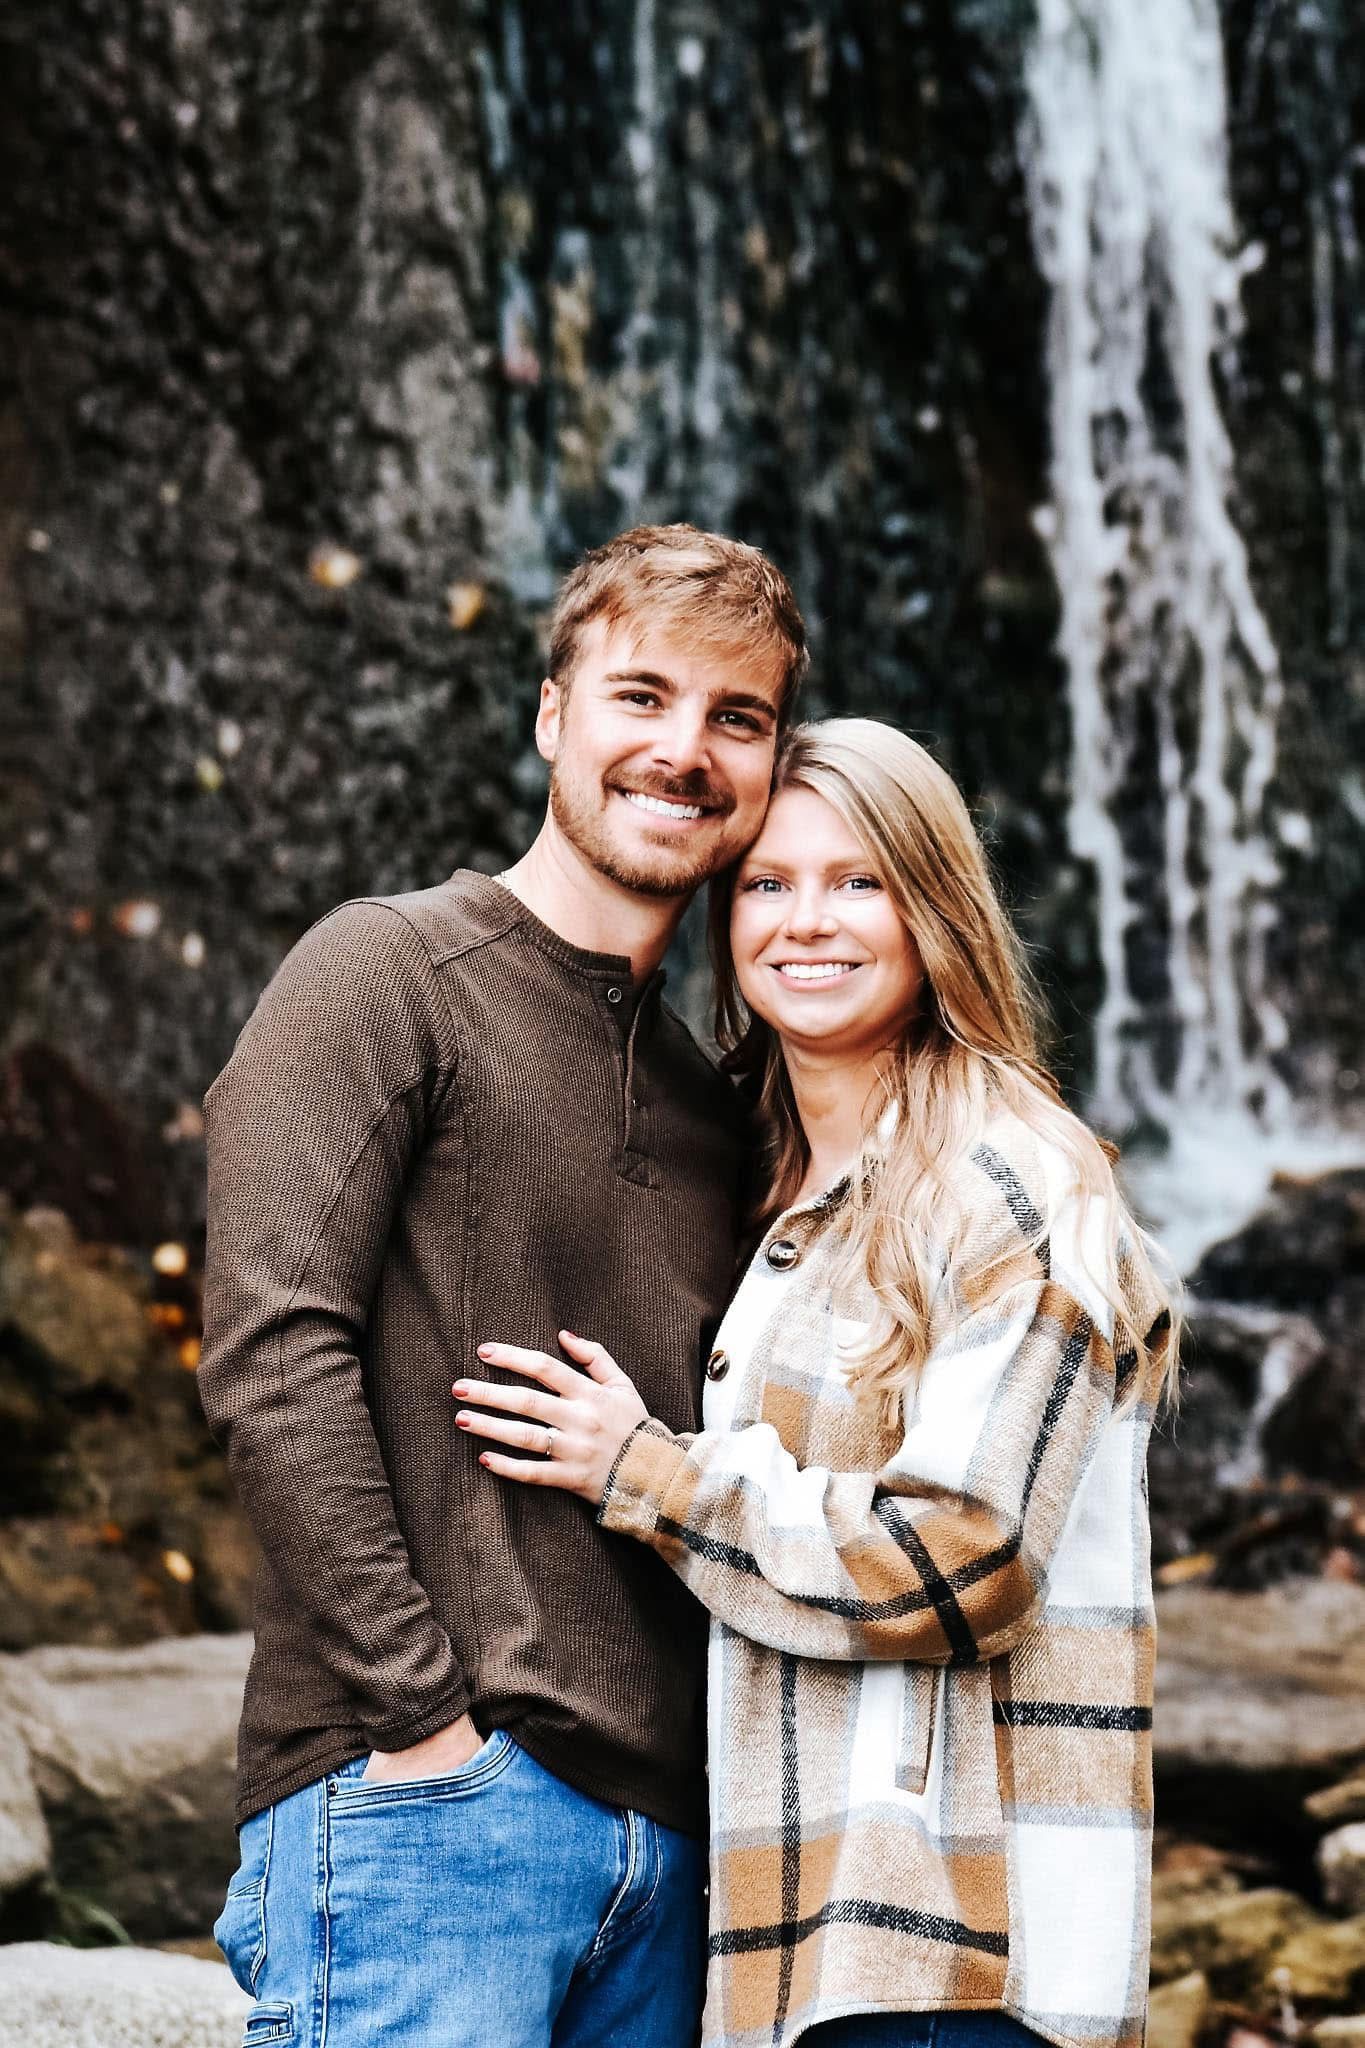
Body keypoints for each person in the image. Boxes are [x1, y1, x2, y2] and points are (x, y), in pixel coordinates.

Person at [454, 717, 1176, 2048]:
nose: (808, 922)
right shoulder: (770, 1195)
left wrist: (649, 1475)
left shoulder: (1007, 1182)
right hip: (800, 1940)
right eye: (769, 885)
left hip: (960, 1956)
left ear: (934, 910)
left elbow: (962, 1557)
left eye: (858, 882)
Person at [197, 523, 809, 2048]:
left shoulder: (722, 1106)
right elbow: (271, 1357)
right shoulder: (384, 972)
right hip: (430, 1823)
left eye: (736, 719)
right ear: (553, 718)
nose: (684, 751)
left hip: (672, 1860)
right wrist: (423, 1729)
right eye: (642, 698)